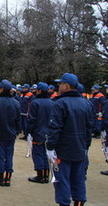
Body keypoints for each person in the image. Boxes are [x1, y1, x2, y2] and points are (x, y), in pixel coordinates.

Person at [46, 73, 94, 206]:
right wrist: (86, 146)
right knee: (78, 181)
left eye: (60, 84)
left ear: (66, 86)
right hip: (80, 148)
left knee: (62, 181)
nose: (59, 86)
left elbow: (55, 128)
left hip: (63, 149)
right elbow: (89, 128)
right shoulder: (86, 103)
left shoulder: (60, 103)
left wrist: (50, 147)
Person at [0, 79, 21, 187]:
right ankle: (7, 178)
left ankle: (1, 178)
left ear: (2, 89)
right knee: (9, 155)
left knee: (0, 156)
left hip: (0, 134)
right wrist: (17, 131)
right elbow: (18, 119)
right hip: (11, 134)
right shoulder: (16, 102)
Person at [27, 82, 54, 183]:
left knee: (38, 154)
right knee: (46, 154)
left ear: (39, 91)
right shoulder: (52, 102)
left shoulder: (35, 102)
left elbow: (32, 119)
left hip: (38, 132)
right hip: (49, 132)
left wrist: (29, 131)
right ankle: (46, 175)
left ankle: (40, 175)